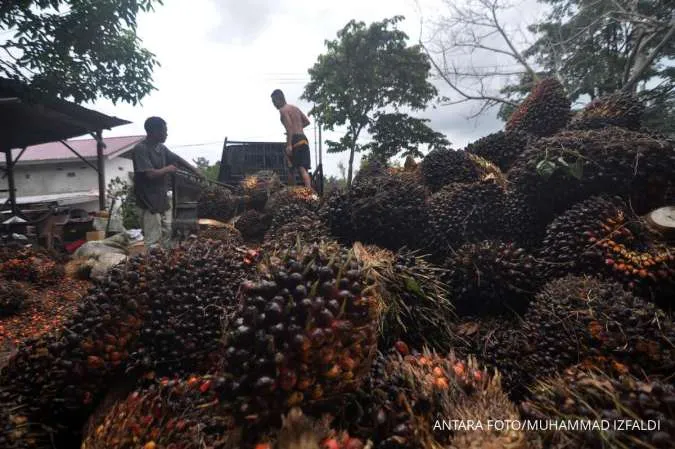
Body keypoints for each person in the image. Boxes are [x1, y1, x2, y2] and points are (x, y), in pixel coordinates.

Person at [132, 116, 204, 249]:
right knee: (153, 238)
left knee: (167, 234)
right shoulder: (140, 149)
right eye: (164, 131)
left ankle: (166, 262)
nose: (166, 134)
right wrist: (168, 169)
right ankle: (151, 265)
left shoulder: (161, 148)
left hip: (162, 199)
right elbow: (150, 174)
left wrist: (195, 170)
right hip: (147, 201)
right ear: (153, 131)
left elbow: (177, 158)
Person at [271, 89, 312, 188]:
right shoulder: (295, 108)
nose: (274, 104)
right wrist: (297, 128)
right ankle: (309, 191)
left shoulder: (283, 110)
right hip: (304, 139)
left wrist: (289, 144)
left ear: (279, 99)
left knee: (291, 168)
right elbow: (307, 122)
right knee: (303, 169)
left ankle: (292, 192)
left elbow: (289, 128)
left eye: (274, 101)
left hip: (295, 140)